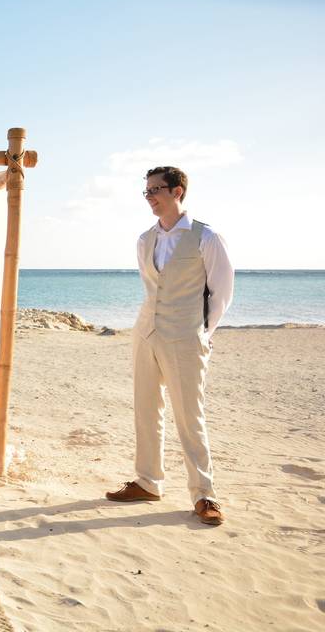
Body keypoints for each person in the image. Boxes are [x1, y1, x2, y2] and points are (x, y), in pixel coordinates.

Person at [106, 166, 234, 526]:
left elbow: (222, 293)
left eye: (156, 190)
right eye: (145, 191)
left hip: (186, 336)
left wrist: (202, 333)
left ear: (178, 191)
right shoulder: (145, 239)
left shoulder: (207, 237)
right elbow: (152, 289)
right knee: (146, 409)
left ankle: (204, 493)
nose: (149, 197)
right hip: (146, 332)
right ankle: (148, 481)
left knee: (189, 416)